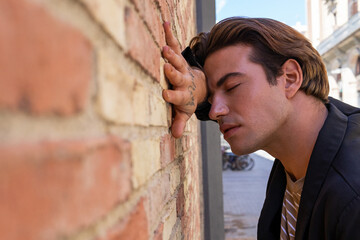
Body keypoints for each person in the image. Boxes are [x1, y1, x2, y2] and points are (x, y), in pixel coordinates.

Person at [162, 17, 360, 239]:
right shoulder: (301, 144)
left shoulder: (352, 195)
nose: (213, 111)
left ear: (290, 79)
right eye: (210, 97)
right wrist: (197, 86)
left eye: (232, 86)